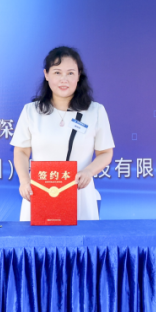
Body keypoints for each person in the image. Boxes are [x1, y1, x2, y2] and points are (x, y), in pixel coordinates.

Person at [12, 46, 114, 221]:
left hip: (79, 192)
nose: (63, 79)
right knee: (38, 239)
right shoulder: (31, 111)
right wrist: (24, 180)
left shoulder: (95, 111)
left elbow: (105, 152)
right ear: (46, 74)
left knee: (81, 239)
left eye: (70, 73)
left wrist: (88, 172)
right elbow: (21, 151)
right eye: (57, 72)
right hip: (40, 192)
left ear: (79, 75)